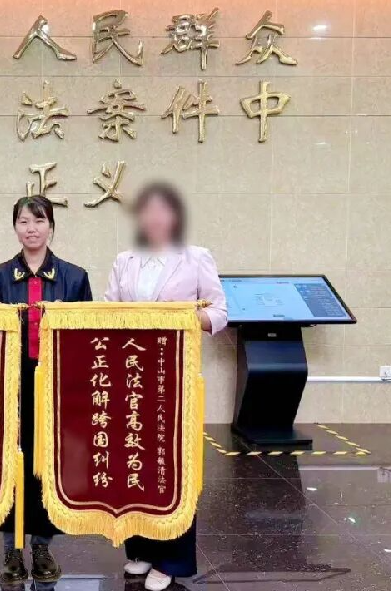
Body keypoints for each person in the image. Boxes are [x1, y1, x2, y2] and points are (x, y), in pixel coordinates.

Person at [104, 182, 227, 591]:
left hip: (174, 378)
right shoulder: (124, 261)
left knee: (172, 467)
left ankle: (171, 559)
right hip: (130, 379)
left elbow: (220, 313)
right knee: (133, 462)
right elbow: (107, 312)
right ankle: (139, 549)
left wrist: (183, 319)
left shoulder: (196, 258)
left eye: (163, 211)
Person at [0, 195, 93, 585]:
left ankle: (43, 546)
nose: (32, 229)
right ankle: (11, 549)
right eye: (24, 221)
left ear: (51, 227)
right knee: (10, 463)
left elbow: (85, 338)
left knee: (47, 464)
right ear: (15, 228)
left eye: (39, 221)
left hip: (54, 384)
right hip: (9, 384)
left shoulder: (74, 277)